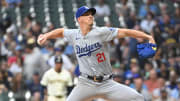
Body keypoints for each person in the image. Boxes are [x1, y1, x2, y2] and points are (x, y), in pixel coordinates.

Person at [37, 6, 156, 101]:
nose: (91, 16)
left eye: (91, 14)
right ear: (79, 19)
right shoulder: (74, 34)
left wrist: (147, 36)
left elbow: (125, 32)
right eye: (87, 14)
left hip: (107, 83)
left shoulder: (101, 32)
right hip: (86, 84)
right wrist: (46, 35)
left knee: (137, 98)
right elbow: (61, 32)